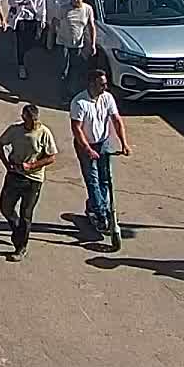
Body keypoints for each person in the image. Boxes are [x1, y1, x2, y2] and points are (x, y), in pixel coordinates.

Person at [69, 70, 130, 250]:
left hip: (103, 143)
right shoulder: (79, 102)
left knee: (106, 179)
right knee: (93, 180)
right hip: (86, 145)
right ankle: (102, 212)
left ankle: (99, 208)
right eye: (101, 84)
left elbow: (116, 120)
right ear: (91, 84)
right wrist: (87, 149)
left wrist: (124, 143)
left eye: (105, 84)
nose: (105, 87)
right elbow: (77, 129)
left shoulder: (107, 98)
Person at [0, 103, 57, 261]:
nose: (34, 123)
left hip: (33, 180)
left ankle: (21, 247)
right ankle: (17, 231)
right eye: (30, 120)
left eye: (35, 120)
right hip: (14, 176)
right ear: (23, 118)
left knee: (26, 214)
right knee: (6, 207)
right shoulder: (15, 131)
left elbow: (51, 157)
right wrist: (7, 165)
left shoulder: (44, 133)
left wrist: (32, 165)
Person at [8, 0, 48, 80]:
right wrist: (19, 3)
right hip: (22, 18)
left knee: (33, 39)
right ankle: (21, 65)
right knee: (21, 42)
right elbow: (11, 1)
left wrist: (42, 19)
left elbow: (42, 4)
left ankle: (26, 57)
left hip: (34, 18)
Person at [56, 0, 97, 89]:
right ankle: (63, 92)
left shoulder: (88, 9)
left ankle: (71, 91)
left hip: (77, 45)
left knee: (75, 70)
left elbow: (91, 27)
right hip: (63, 43)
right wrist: (50, 39)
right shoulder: (64, 8)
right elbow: (55, 22)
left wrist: (92, 44)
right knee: (63, 69)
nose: (75, 0)